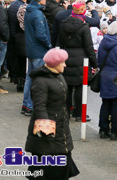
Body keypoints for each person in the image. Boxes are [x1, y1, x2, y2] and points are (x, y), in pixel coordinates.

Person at [24, 48, 80, 179]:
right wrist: (46, 131)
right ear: (55, 63)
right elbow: (39, 107)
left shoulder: (59, 76)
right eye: (63, 62)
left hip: (61, 128)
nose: (65, 65)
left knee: (62, 162)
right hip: (49, 132)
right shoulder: (41, 81)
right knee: (49, 167)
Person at [57, 0, 97, 122]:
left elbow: (60, 42)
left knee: (67, 86)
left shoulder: (63, 24)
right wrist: (94, 63)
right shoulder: (84, 27)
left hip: (67, 57)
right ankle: (79, 114)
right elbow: (89, 47)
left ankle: (67, 111)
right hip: (81, 59)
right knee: (80, 87)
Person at [22, 0, 53, 116]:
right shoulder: (37, 14)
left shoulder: (29, 11)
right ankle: (31, 105)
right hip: (39, 50)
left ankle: (26, 103)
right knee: (38, 79)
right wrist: (49, 45)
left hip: (31, 49)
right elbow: (41, 34)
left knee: (30, 77)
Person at [97, 21, 117, 140]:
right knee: (116, 106)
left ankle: (103, 129)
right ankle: (115, 131)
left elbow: (99, 61)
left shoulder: (103, 43)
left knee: (105, 104)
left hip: (105, 76)